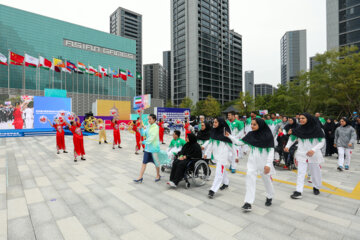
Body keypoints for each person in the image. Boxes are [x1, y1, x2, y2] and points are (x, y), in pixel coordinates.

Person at [227, 118, 275, 211]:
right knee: (249, 180)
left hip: (264, 163)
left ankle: (270, 196)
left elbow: (271, 151)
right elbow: (239, 142)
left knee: (267, 180)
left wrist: (268, 164)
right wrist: (229, 136)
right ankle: (248, 202)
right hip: (252, 162)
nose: (252, 126)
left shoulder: (268, 136)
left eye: (254, 125)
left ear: (260, 125)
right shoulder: (250, 135)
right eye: (251, 124)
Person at [285, 113, 325, 199]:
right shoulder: (298, 129)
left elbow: (322, 141)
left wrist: (313, 150)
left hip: (313, 154)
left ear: (308, 119)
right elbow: (292, 138)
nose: (301, 120)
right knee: (301, 172)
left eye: (303, 118)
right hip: (302, 154)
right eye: (300, 118)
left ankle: (316, 187)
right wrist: (287, 146)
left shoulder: (317, 129)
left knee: (315, 172)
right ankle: (298, 191)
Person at [203, 117, 235, 199]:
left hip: (223, 155)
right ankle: (226, 183)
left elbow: (230, 145)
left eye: (216, 122)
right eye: (214, 122)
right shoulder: (213, 130)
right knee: (221, 169)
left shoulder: (225, 132)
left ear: (220, 123)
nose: (214, 124)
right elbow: (211, 143)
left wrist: (236, 156)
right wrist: (206, 153)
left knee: (218, 172)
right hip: (216, 155)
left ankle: (213, 190)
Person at [134, 114, 162, 183]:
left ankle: (158, 175)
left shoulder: (156, 127)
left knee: (156, 163)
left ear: (154, 119)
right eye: (148, 119)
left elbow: (151, 138)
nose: (149, 120)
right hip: (147, 149)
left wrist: (143, 142)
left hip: (154, 149)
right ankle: (140, 177)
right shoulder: (148, 126)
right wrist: (140, 129)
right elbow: (144, 134)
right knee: (144, 162)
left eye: (150, 119)